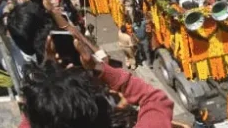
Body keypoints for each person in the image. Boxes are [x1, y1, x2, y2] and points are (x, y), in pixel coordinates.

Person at [19, 35, 173, 128]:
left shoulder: (40, 116)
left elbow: (37, 116)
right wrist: (99, 68)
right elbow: (154, 99)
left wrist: (46, 87)